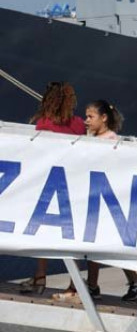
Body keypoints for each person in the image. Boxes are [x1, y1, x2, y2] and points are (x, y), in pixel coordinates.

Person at [51, 100, 137, 303]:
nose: (86, 121)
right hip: (94, 199)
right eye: (86, 116)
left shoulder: (110, 140)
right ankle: (104, 284)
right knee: (95, 246)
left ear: (103, 118)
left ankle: (86, 286)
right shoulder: (93, 138)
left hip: (102, 200)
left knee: (91, 245)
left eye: (90, 117)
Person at [20, 82, 85, 295]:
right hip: (73, 185)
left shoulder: (44, 123)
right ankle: (74, 284)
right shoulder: (77, 124)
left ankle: (40, 277)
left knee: (42, 232)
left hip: (48, 185)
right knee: (71, 237)